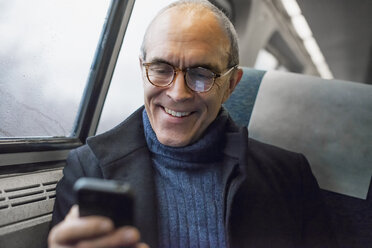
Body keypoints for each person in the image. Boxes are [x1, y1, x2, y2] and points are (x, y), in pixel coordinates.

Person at [48, 0, 336, 247]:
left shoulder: (290, 176)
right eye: (161, 69)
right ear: (142, 69)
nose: (177, 93)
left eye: (201, 74)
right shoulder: (89, 167)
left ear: (230, 86)